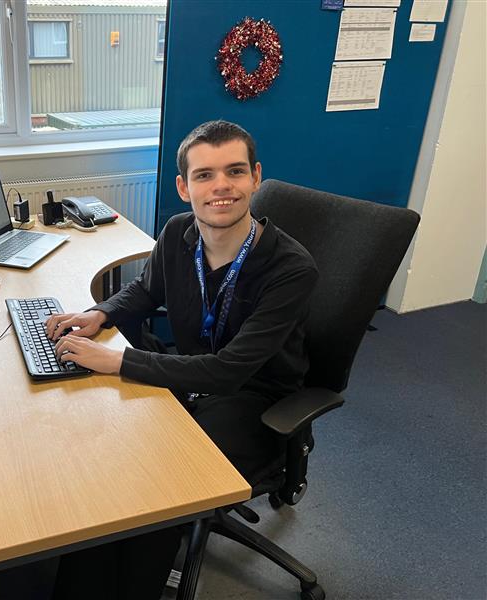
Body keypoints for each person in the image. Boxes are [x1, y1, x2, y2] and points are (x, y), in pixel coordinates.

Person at [45, 120, 319, 600]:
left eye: (234, 172)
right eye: (204, 175)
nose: (221, 187)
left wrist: (119, 362)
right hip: (191, 380)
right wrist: (99, 313)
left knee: (160, 485)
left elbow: (229, 370)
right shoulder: (178, 234)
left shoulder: (289, 268)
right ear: (183, 185)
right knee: (102, 455)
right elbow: (146, 290)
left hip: (254, 401)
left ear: (255, 177)